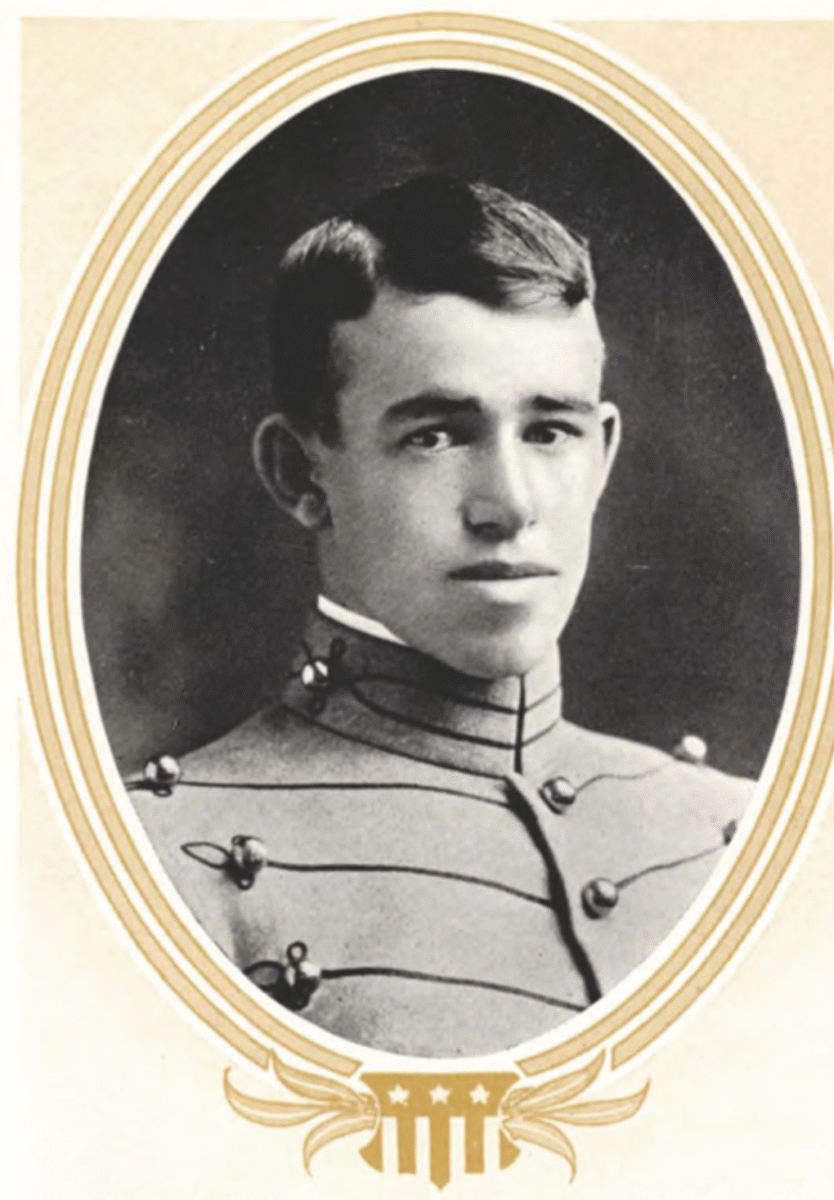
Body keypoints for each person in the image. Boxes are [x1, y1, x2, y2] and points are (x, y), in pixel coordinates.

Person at [131, 177, 752, 1057]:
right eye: (434, 435)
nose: (507, 504)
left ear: (603, 454)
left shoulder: (741, 834)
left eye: (549, 432)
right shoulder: (154, 869)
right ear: (301, 475)